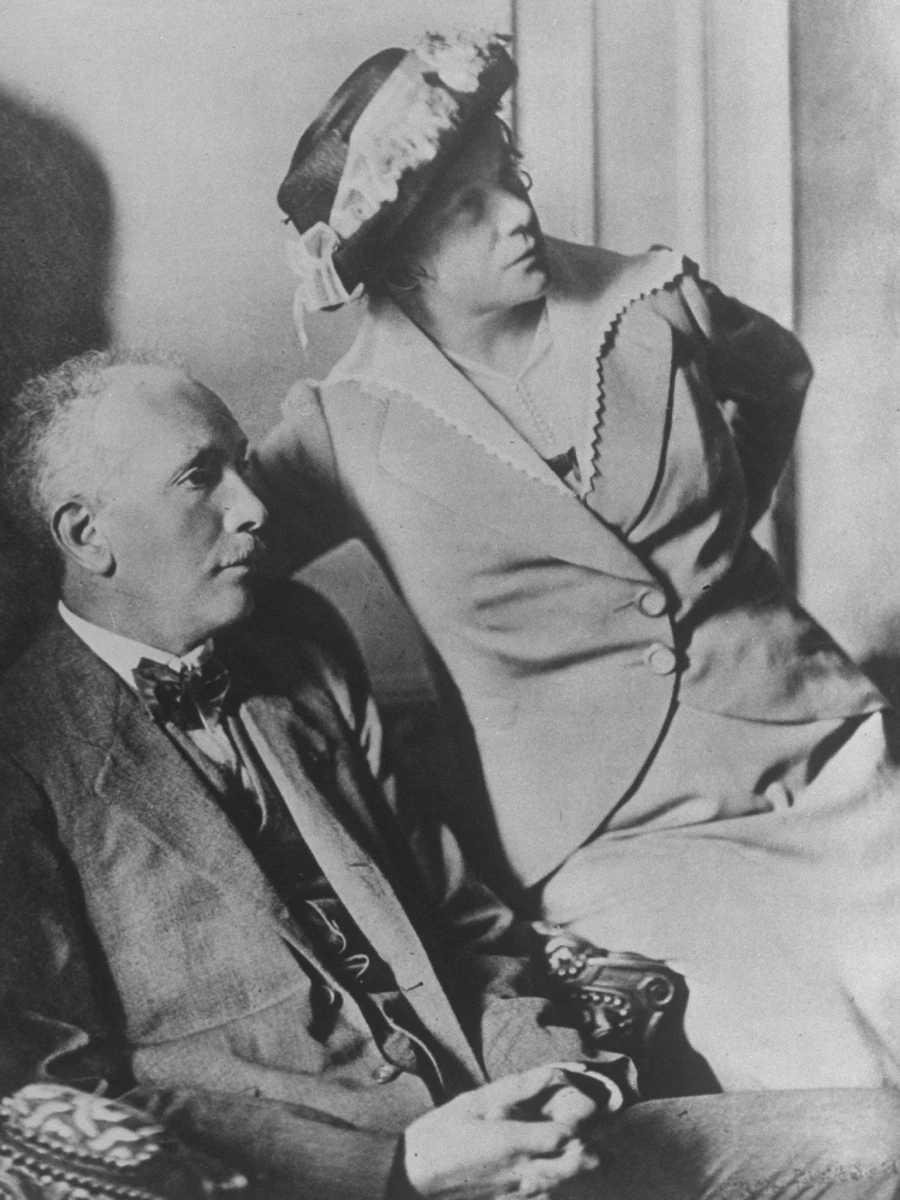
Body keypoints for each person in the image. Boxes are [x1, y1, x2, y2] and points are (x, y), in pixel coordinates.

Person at [1, 351, 900, 1200]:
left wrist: (555, 1079)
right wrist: (401, 1166)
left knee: (883, 1138)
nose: (254, 505)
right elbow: (56, 1097)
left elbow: (464, 924)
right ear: (86, 535)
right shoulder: (24, 749)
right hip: (335, 1183)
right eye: (202, 477)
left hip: (528, 1134)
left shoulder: (299, 639)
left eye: (242, 463)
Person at [255, 30, 900, 1094]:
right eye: (467, 208)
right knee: (829, 1087)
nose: (517, 212)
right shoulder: (344, 428)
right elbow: (209, 564)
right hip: (613, 838)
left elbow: (777, 375)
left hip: (817, 751)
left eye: (509, 174)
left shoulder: (654, 300)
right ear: (399, 260)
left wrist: (721, 538)